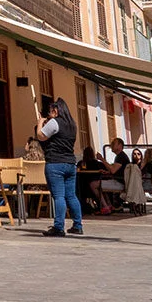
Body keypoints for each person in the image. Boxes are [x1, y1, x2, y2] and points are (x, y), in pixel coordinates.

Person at [36, 98, 82, 237]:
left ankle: (59, 227)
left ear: (56, 111)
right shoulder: (72, 125)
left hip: (55, 163)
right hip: (70, 163)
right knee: (71, 196)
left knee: (59, 196)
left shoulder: (55, 122)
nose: (49, 115)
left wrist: (40, 123)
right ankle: (77, 225)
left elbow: (41, 136)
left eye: (50, 112)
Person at [97, 138, 131, 209]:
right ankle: (109, 205)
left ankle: (106, 206)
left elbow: (113, 170)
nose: (111, 145)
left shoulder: (120, 157)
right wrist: (107, 172)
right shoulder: (120, 156)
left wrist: (102, 159)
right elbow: (116, 170)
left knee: (93, 184)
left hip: (120, 183)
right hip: (120, 181)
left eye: (114, 143)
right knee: (100, 183)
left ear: (120, 145)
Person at [77, 146, 112, 215]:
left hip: (83, 188)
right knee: (100, 188)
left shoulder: (81, 163)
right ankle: (107, 205)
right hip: (97, 186)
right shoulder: (98, 164)